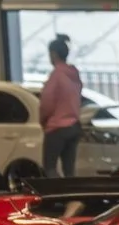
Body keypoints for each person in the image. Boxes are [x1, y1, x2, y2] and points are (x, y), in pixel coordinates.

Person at [39, 34, 83, 180]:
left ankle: (57, 193)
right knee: (69, 171)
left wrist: (43, 120)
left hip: (57, 127)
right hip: (74, 126)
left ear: (53, 54)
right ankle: (72, 193)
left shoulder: (56, 75)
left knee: (50, 168)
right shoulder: (74, 74)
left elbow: (47, 103)